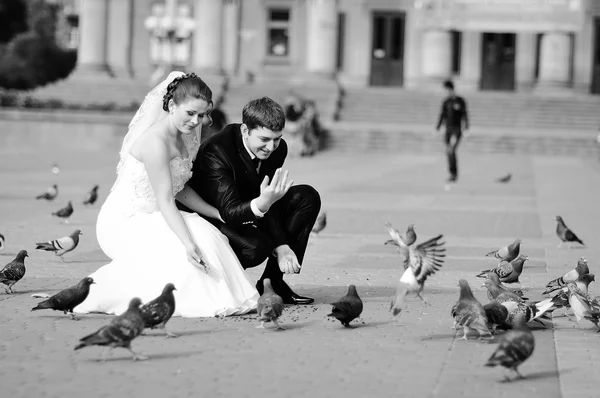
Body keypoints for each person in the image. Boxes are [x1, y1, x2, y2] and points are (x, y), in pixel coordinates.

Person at [74, 72, 259, 317]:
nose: (196, 121)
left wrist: (219, 214)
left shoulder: (186, 137)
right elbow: (165, 199)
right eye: (190, 113)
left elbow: (180, 190)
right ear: (172, 105)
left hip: (159, 212)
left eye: (202, 115)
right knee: (194, 242)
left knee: (207, 233)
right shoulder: (155, 143)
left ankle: (224, 296)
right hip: (126, 220)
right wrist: (187, 243)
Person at [178, 97, 321, 305]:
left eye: (277, 138)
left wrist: (282, 244)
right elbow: (229, 211)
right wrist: (263, 204)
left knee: (306, 197)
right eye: (264, 139)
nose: (271, 147)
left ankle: (272, 284)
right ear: (245, 131)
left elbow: (267, 196)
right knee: (255, 248)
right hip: (212, 214)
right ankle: (218, 284)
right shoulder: (216, 151)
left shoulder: (278, 149)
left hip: (251, 206)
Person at [435, 80, 469, 183]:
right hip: (448, 130)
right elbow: (442, 115)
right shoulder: (446, 102)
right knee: (448, 152)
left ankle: (453, 174)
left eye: (446, 90)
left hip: (456, 130)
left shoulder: (460, 101)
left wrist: (466, 128)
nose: (445, 92)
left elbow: (464, 115)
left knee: (451, 150)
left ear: (450, 89)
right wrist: (437, 127)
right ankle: (452, 173)